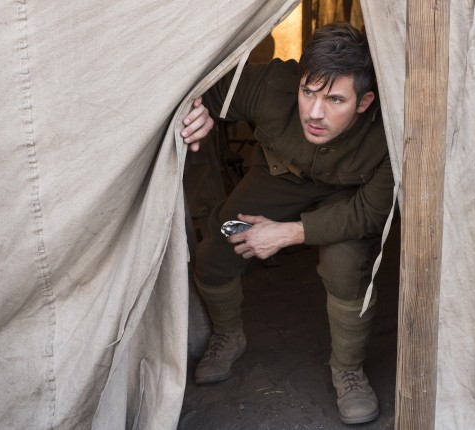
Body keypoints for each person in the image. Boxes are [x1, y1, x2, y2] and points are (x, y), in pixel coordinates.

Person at [181, 22, 393, 425]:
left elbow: (368, 213)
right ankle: (229, 334)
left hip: (346, 196)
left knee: (345, 265)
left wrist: (287, 233)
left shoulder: (391, 127)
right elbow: (202, 88)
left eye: (335, 99)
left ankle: (348, 369)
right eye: (308, 92)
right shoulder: (271, 85)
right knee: (220, 242)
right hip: (279, 178)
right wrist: (198, 112)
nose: (314, 112)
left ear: (364, 102)